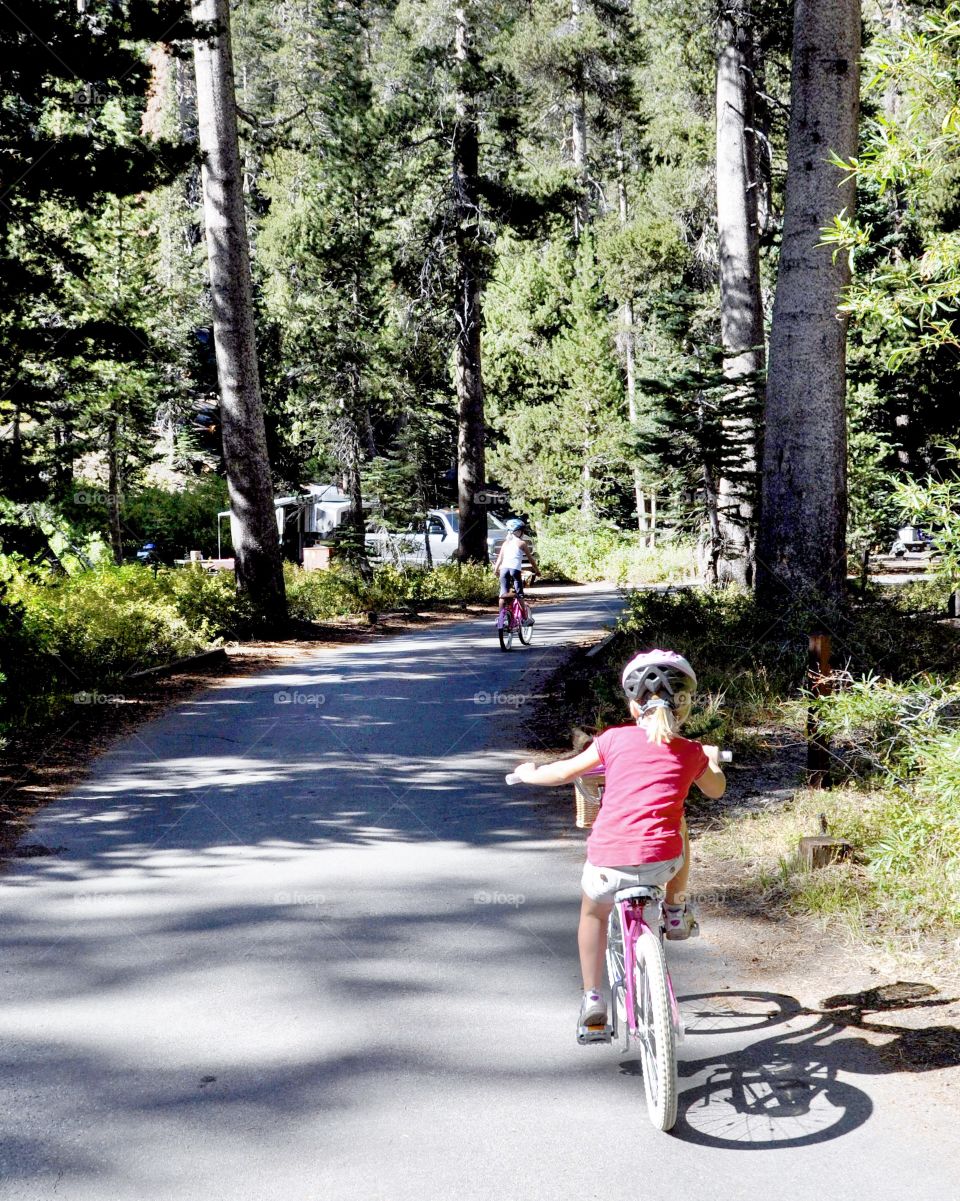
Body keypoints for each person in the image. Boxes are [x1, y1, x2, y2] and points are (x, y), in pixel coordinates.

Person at [511, 649, 726, 1038]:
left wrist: (529, 773)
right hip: (663, 864)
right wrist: (710, 760)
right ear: (686, 706)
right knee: (679, 825)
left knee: (593, 914)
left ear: (632, 705)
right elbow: (716, 790)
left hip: (609, 862)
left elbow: (562, 772)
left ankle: (593, 998)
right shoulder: (691, 751)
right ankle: (675, 910)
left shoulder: (611, 740)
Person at [493, 518, 539, 620]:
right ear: (519, 532)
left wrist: (495, 570)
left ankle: (501, 617)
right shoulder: (522, 543)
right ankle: (525, 618)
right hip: (515, 570)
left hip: (504, 569)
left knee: (503, 594)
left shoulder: (505, 543)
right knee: (519, 594)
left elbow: (500, 558)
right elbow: (531, 559)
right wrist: (537, 571)